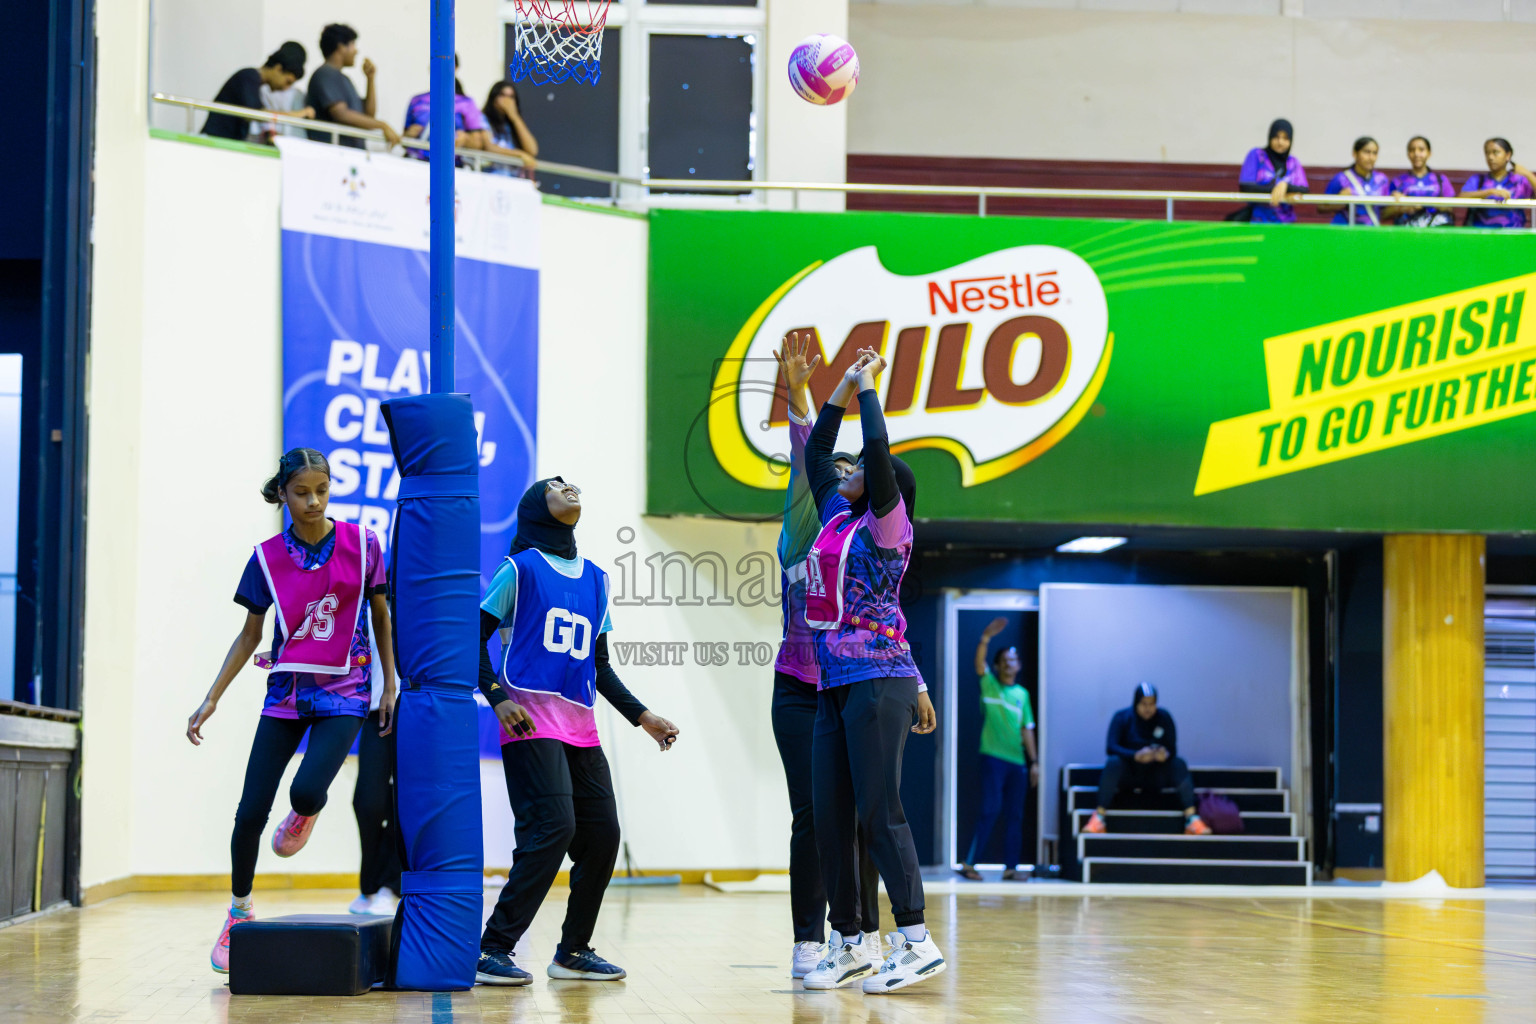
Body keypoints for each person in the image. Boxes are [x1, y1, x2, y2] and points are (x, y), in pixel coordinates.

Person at [186, 448, 395, 973]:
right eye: (301, 492)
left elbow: (382, 616)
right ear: (283, 493)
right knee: (250, 811)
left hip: (347, 691)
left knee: (305, 790)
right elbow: (250, 634)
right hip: (286, 693)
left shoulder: (363, 545)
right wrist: (211, 698)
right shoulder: (266, 558)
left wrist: (390, 684)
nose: (313, 501)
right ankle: (238, 914)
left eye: (322, 491)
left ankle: (305, 812)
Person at [771, 332, 936, 980]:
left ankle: (916, 938)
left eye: (860, 471)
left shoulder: (887, 529)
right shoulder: (836, 519)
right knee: (831, 815)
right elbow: (817, 448)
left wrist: (871, 388)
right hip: (832, 685)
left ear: (882, 484)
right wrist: (840, 383)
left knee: (877, 811)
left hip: (879, 677)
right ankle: (850, 942)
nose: (848, 474)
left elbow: (876, 449)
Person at [474, 478, 680, 986]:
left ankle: (572, 952)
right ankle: (493, 948)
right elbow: (468, 642)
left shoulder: (595, 579)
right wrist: (497, 699)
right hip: (528, 720)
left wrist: (642, 716)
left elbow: (600, 666)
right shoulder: (517, 570)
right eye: (555, 484)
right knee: (553, 829)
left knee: (602, 835)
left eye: (572, 482)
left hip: (580, 729)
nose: (569, 486)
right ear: (535, 507)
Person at [957, 617, 1037, 882]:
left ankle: (1011, 868)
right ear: (998, 665)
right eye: (1005, 659)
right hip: (993, 758)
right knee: (990, 810)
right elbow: (979, 664)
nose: (1009, 663)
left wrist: (1034, 762)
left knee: (1015, 815)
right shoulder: (989, 684)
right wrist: (986, 638)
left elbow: (1027, 729)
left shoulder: (1022, 695)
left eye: (1014, 659)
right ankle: (970, 864)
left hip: (1018, 763)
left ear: (1019, 665)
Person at [1083, 683, 1210, 836]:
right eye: (1144, 704)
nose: (1148, 708)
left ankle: (1192, 819)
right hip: (1130, 774)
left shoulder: (1164, 717)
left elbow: (1172, 749)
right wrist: (1135, 755)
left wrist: (1164, 755)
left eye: (1152, 704)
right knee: (1113, 763)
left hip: (1155, 775)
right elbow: (1111, 747)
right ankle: (1099, 818)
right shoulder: (1122, 717)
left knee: (1179, 764)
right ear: (1136, 703)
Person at [347, 661, 402, 916]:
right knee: (367, 803)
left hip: (413, 709)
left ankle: (389, 888)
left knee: (402, 804)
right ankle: (370, 885)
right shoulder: (371, 618)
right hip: (377, 710)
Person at [306, 24, 401, 151]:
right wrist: (383, 125)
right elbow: (341, 114)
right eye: (353, 45)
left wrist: (370, 79)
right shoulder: (325, 74)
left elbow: (368, 116)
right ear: (341, 47)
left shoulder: (344, 79)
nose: (356, 51)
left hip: (349, 154)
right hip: (333, 153)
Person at [201, 42, 308, 142]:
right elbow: (257, 114)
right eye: (287, 82)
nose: (285, 88)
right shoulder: (249, 76)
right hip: (213, 141)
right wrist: (296, 115)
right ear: (278, 69)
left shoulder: (255, 83)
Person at [403, 55, 490, 162]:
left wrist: (465, 139)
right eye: (435, 62)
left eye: (445, 64)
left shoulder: (466, 103)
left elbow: (478, 143)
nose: (440, 68)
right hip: (416, 163)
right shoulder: (417, 100)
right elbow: (404, 138)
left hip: (451, 164)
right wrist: (408, 135)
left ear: (456, 68)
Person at [1239, 118, 1310, 224]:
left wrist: (1285, 186)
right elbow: (1245, 186)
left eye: (1285, 138)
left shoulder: (1293, 162)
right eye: (1276, 137)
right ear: (1270, 137)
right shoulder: (1256, 155)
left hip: (1287, 225)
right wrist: (1274, 188)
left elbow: (1304, 189)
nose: (1280, 142)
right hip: (1259, 222)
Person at [1461, 137, 1535, 229]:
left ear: (1508, 155)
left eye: (1495, 152)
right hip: (1481, 237)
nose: (1490, 157)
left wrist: (1528, 174)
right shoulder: (1478, 180)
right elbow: (1461, 197)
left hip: (1513, 237)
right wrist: (1489, 192)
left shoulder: (1519, 181)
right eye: (1487, 153)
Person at [1319, 137, 1393, 226]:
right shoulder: (1342, 178)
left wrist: (1399, 205)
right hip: (1346, 233)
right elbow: (1321, 207)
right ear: (1355, 153)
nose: (1371, 157)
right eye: (1366, 152)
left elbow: (1384, 212)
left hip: (1371, 233)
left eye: (1374, 153)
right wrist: (1340, 201)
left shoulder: (1381, 180)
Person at [1389, 136, 1456, 227]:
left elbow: (1450, 207)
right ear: (1408, 154)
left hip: (1436, 233)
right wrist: (1401, 206)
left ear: (1429, 153)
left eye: (1421, 150)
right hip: (1407, 233)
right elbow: (1385, 213)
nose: (1416, 154)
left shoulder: (1441, 180)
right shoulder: (1398, 181)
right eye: (1412, 150)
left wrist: (1424, 204)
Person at [482, 80, 539, 176]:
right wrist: (519, 154)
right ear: (494, 98)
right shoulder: (482, 118)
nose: (507, 101)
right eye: (502, 95)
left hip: (513, 180)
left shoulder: (512, 124)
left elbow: (532, 150)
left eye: (511, 97)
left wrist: (514, 117)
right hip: (490, 177)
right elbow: (488, 146)